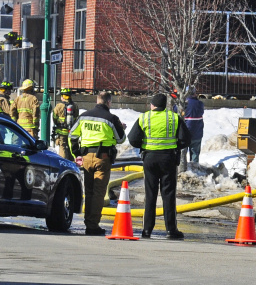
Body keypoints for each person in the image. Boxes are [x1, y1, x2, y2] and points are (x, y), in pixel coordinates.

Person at [127, 92, 191, 240]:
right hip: (168, 158)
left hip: (149, 158)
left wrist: (143, 146)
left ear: (152, 105)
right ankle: (171, 230)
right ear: (165, 105)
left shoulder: (144, 117)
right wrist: (175, 147)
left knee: (150, 195)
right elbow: (186, 139)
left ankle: (147, 230)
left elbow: (132, 138)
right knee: (168, 195)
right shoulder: (173, 118)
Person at [69, 90, 126, 236]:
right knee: (99, 192)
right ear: (108, 102)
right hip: (103, 158)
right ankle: (93, 225)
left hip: (86, 157)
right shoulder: (111, 118)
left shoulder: (83, 116)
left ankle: (88, 221)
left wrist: (76, 153)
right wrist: (121, 127)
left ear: (97, 100)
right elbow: (120, 139)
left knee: (88, 191)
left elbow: (72, 136)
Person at [52, 88, 78, 159]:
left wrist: (57, 124)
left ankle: (63, 162)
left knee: (62, 147)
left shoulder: (59, 106)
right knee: (70, 146)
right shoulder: (75, 106)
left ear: (62, 96)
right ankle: (71, 162)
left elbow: (54, 117)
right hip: (71, 131)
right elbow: (77, 118)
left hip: (61, 131)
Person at [183, 86, 205, 166]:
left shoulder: (183, 104)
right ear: (194, 93)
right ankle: (194, 170)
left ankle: (183, 169)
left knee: (182, 154)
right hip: (197, 133)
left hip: (184, 133)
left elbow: (175, 109)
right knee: (195, 154)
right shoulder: (200, 104)